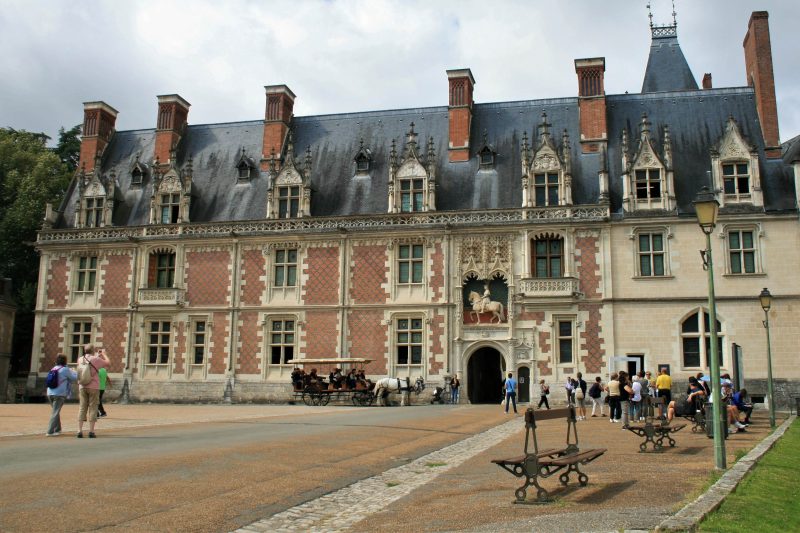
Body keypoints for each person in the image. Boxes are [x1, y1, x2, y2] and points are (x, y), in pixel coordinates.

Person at [77, 345, 110, 438]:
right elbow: (108, 363)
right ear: (93, 350)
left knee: (82, 407)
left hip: (82, 385)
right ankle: (91, 431)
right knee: (93, 407)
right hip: (93, 386)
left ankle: (79, 430)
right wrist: (104, 354)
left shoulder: (80, 359)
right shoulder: (96, 359)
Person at [45, 354, 77, 436]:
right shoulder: (65, 369)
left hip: (49, 392)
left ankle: (58, 429)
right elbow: (74, 378)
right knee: (55, 412)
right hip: (59, 394)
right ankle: (50, 431)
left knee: (56, 411)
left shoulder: (53, 368)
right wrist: (74, 371)